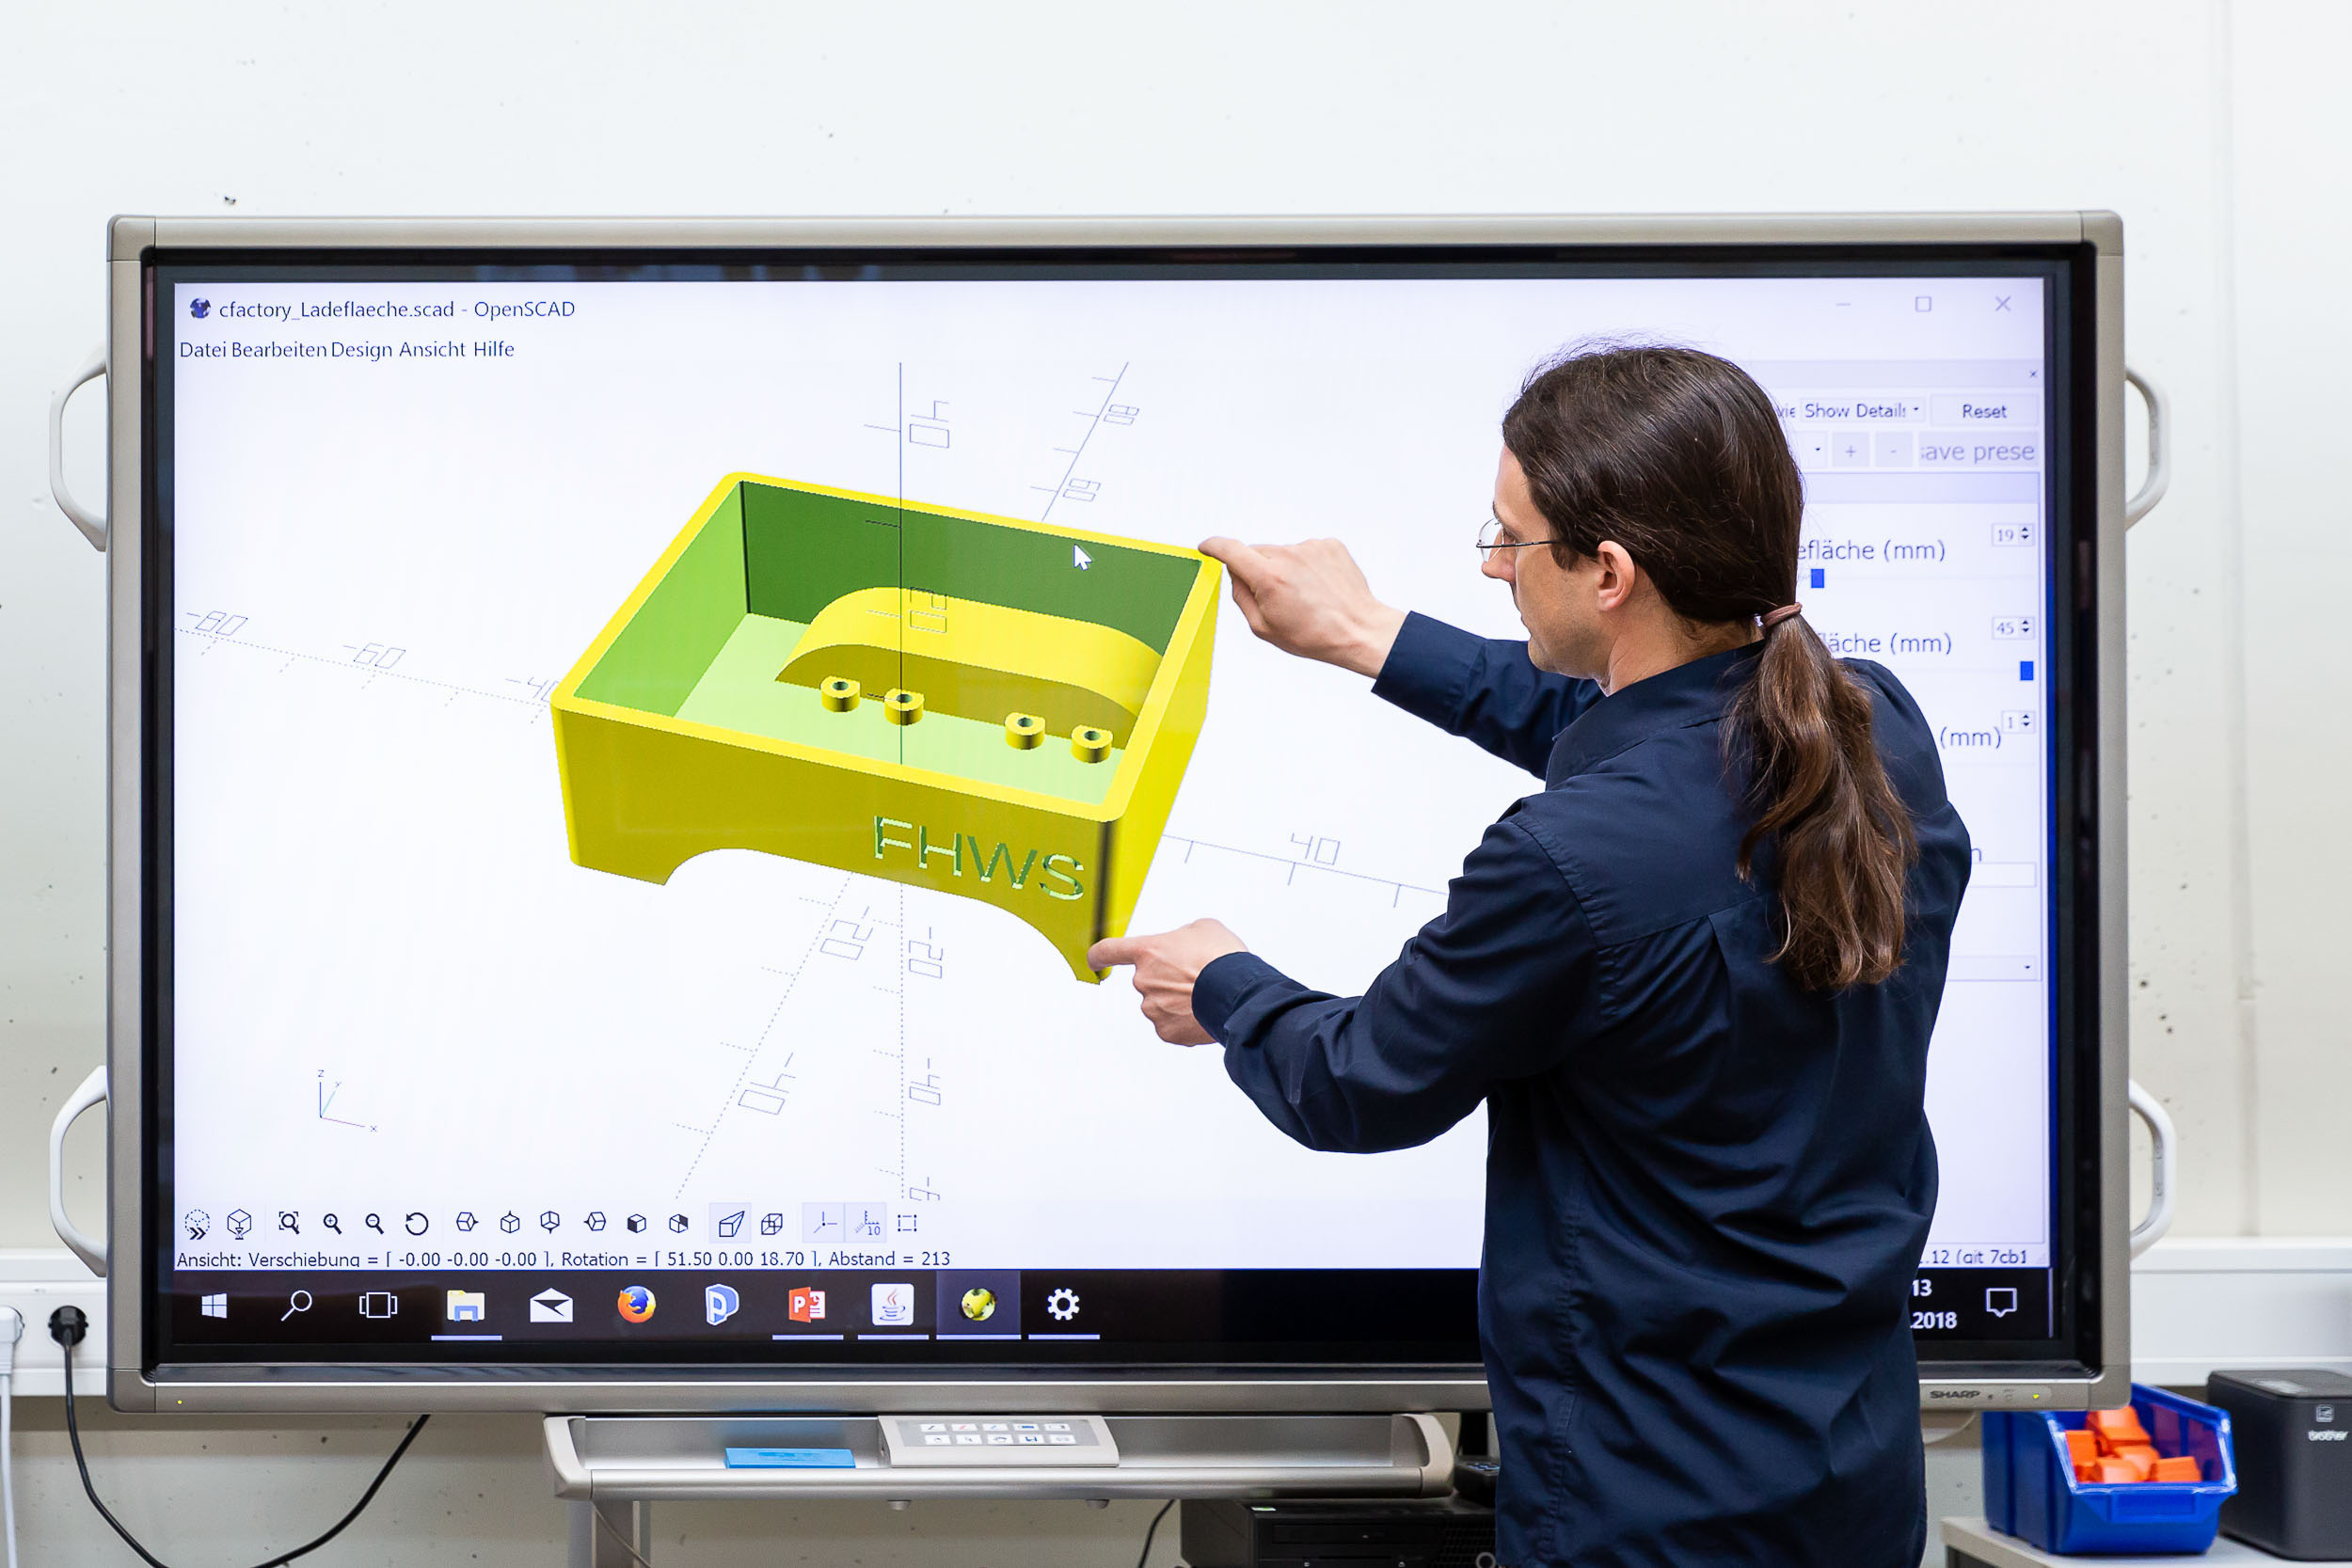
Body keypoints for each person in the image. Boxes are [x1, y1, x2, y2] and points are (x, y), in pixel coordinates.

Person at [1088, 344, 1972, 1568]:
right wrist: (1367, 634)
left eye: (1510, 539)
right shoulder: (1870, 729)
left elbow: (1360, 1082)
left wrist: (1226, 987)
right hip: (1851, 1494)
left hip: (1648, 1515)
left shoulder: (1567, 859)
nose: (1494, 566)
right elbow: (1639, 731)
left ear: (1609, 572)